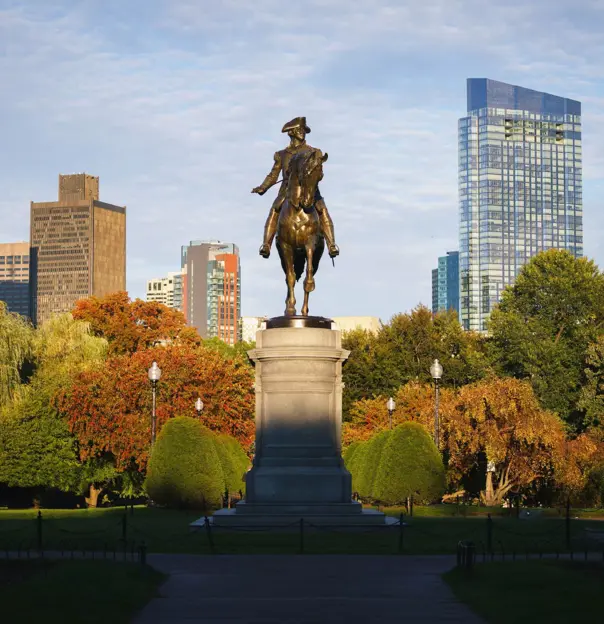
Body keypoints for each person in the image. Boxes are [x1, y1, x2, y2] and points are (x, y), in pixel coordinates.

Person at [252, 116, 339, 259]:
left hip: (309, 190)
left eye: (304, 130)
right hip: (287, 191)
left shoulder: (314, 152)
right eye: (299, 130)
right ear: (291, 133)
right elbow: (273, 175)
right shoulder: (281, 155)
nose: (302, 132)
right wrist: (263, 187)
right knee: (275, 209)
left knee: (322, 209)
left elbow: (319, 173)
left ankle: (331, 244)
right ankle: (266, 244)